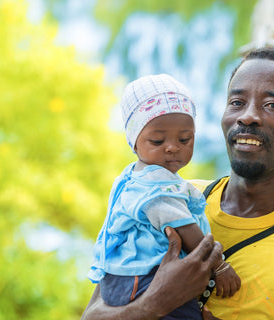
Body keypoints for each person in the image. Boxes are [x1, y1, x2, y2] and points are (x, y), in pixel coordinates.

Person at [82, 47, 274, 319]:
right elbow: (92, 315)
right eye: (237, 102)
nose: (248, 116)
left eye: (273, 105)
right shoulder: (168, 198)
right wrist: (154, 303)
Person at [87, 74, 240, 319]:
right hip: (143, 280)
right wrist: (219, 266)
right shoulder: (155, 184)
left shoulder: (132, 177)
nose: (172, 147)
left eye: (184, 139)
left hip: (124, 280)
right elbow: (186, 229)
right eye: (158, 140)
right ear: (134, 143)